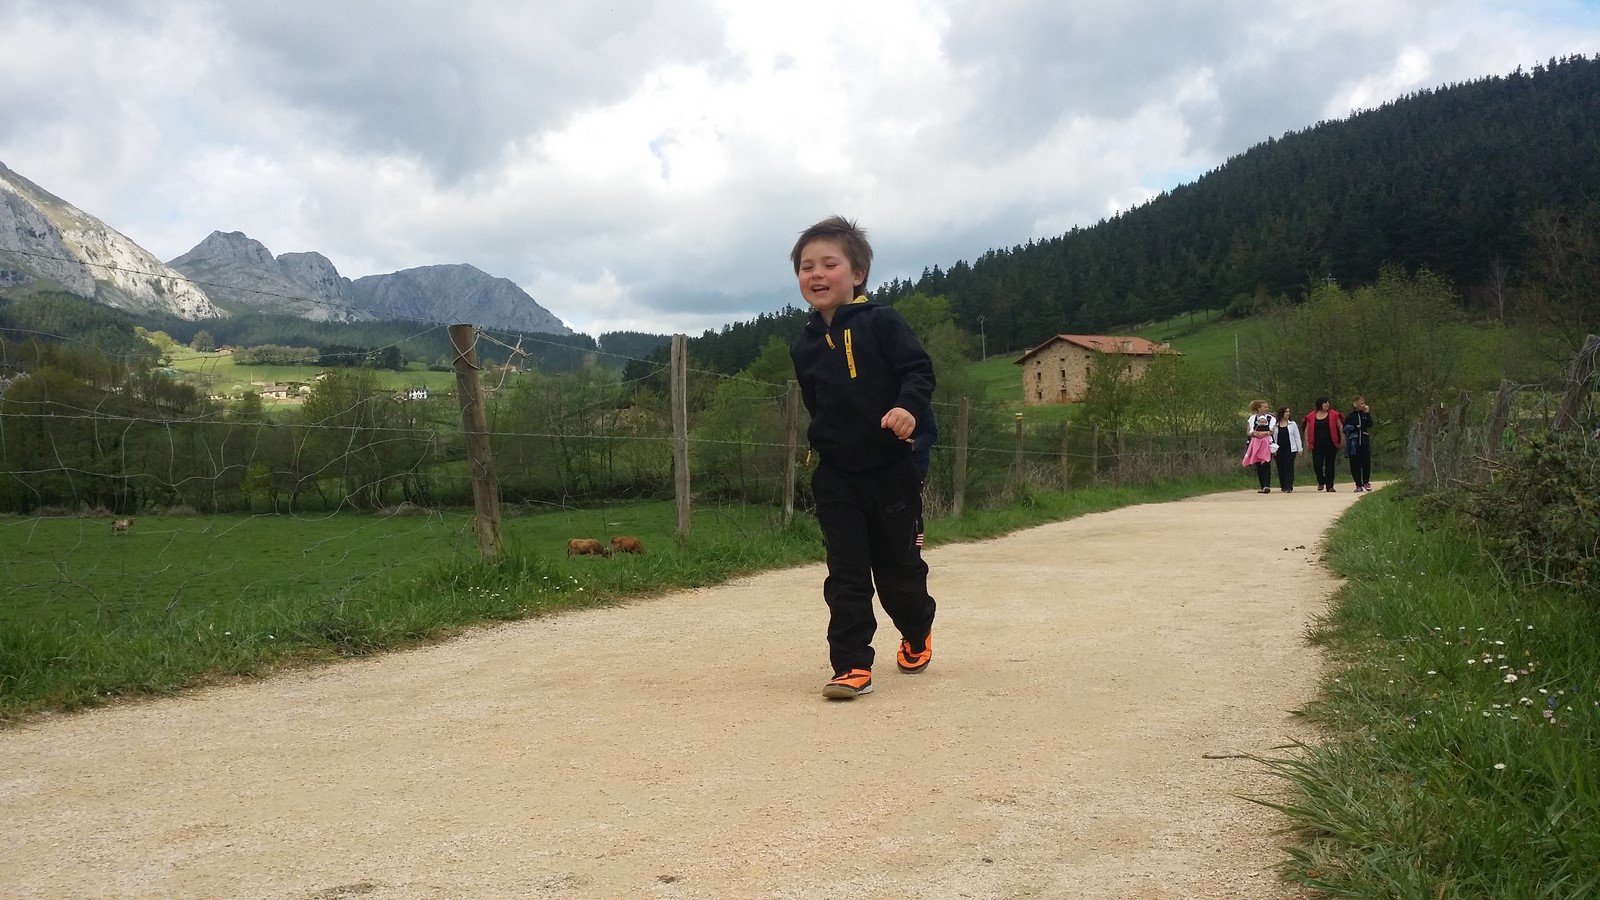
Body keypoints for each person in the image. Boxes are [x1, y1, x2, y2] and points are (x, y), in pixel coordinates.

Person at [789, 215, 937, 700]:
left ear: (857, 274)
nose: (816, 273)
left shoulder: (883, 322)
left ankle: (917, 628)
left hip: (892, 468)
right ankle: (851, 665)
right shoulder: (804, 345)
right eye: (806, 266)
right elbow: (816, 404)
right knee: (846, 573)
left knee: (898, 574)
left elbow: (918, 370)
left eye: (829, 264)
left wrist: (908, 408)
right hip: (837, 475)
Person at [1303, 396, 1345, 491]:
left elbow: (1340, 427)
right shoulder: (1311, 416)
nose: (1327, 404)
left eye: (1328, 402)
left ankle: (1330, 486)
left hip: (1331, 444)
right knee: (1317, 465)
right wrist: (1307, 442)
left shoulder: (1334, 414)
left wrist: (1342, 439)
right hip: (1317, 444)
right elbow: (1307, 429)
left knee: (1330, 465)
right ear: (1320, 404)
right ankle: (1321, 481)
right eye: (1325, 403)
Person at [1241, 400, 1276, 493]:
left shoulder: (1271, 418)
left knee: (1266, 462)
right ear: (1259, 408)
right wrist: (1254, 434)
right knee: (1258, 464)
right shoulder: (1252, 418)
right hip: (1255, 443)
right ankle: (1262, 485)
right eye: (1265, 407)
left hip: (1266, 443)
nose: (1267, 409)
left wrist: (1264, 433)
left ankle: (1266, 485)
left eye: (1267, 407)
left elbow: (1273, 430)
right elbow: (1249, 431)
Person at [1345, 396, 1375, 492]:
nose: (1363, 405)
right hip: (1354, 443)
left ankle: (1366, 482)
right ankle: (1358, 484)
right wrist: (1355, 427)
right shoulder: (1350, 416)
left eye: (1363, 403)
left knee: (1366, 463)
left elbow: (1370, 424)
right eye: (1361, 403)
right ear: (1355, 404)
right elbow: (1345, 428)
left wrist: (1367, 413)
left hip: (1364, 442)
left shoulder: (1365, 415)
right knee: (1355, 464)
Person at [1273, 405, 1303, 492]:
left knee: (1289, 467)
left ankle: (1289, 486)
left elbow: (1297, 437)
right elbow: (1272, 438)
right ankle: (1283, 485)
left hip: (1290, 449)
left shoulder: (1292, 424)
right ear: (1281, 413)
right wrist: (1273, 449)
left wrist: (1299, 448)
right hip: (1278, 449)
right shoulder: (1275, 425)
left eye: (1289, 412)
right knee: (1281, 467)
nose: (1288, 413)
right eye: (1286, 412)